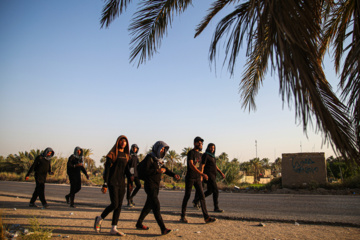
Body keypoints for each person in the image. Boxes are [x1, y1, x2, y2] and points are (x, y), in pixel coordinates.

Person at [135, 141, 180, 235]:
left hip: (156, 186)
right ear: (156, 148)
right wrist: (157, 170)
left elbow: (165, 170)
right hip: (149, 185)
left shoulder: (158, 160)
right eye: (161, 148)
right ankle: (163, 228)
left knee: (148, 206)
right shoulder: (150, 158)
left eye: (164, 149)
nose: (163, 151)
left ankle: (139, 223)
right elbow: (145, 171)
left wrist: (174, 175)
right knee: (156, 205)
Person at [94, 135, 132, 236]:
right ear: (118, 142)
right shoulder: (112, 154)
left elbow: (126, 171)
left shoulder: (126, 155)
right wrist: (105, 184)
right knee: (114, 204)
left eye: (125, 141)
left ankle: (114, 228)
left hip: (121, 183)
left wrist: (130, 182)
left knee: (119, 206)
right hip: (112, 182)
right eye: (121, 140)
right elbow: (107, 170)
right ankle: (99, 218)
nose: (123, 142)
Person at [180, 137, 216, 224]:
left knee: (202, 197)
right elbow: (191, 165)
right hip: (190, 177)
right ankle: (182, 216)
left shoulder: (201, 154)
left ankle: (206, 217)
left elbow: (201, 166)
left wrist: (201, 175)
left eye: (202, 144)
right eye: (199, 143)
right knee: (187, 196)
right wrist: (201, 173)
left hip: (198, 178)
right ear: (195, 143)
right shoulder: (191, 153)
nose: (201, 145)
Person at [193, 143, 225, 212]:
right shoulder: (206, 155)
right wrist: (201, 175)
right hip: (208, 175)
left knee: (210, 191)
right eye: (210, 148)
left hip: (213, 175)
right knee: (215, 190)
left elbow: (215, 166)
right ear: (208, 148)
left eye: (213, 148)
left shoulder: (212, 156)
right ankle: (216, 208)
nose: (212, 149)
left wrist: (221, 172)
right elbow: (202, 165)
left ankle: (197, 200)